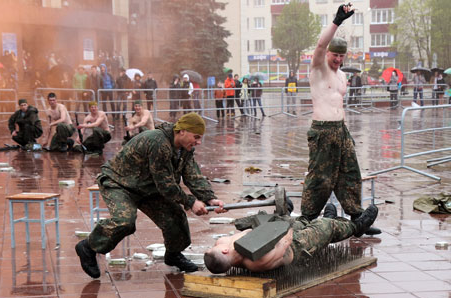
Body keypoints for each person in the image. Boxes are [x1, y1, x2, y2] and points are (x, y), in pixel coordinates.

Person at [75, 113, 226, 278]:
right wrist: (190, 202)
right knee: (124, 221)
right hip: (120, 183)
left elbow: (193, 176)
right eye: (196, 137)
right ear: (182, 131)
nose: (198, 141)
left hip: (148, 187)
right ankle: (88, 247)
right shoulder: (158, 142)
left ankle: (173, 254)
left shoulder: (185, 149)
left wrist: (210, 198)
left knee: (175, 217)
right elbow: (165, 184)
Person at [300, 3, 380, 235]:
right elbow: (320, 44)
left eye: (341, 56)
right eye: (335, 55)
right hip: (322, 131)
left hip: (340, 129)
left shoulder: (343, 75)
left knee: (350, 172)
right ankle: (307, 219)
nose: (337, 59)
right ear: (327, 54)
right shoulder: (318, 69)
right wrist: (337, 22)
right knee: (320, 178)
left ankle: (357, 217)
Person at [204, 203, 378, 274]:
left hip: (272, 233)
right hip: (293, 246)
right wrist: (284, 227)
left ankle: (329, 220)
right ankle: (357, 226)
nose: (217, 244)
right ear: (225, 251)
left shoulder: (221, 244)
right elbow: (285, 242)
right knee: (325, 228)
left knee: (301, 222)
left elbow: (253, 230)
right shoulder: (256, 262)